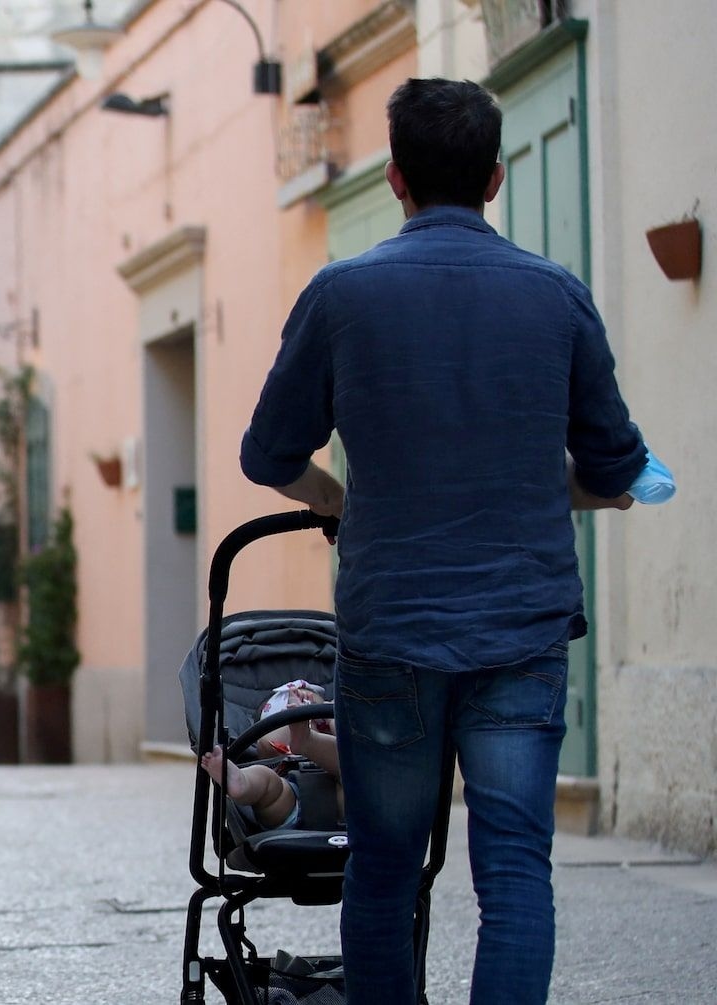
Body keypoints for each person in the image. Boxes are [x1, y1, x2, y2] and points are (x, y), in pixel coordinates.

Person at [240, 78, 648, 1005]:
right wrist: (571, 494)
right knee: (514, 868)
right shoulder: (559, 297)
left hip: (392, 629)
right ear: (497, 178)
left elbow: (269, 454)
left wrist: (340, 501)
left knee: (382, 864)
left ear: (394, 179)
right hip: (522, 626)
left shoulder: (340, 294)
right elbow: (615, 467)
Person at [199, 685, 341, 830]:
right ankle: (241, 782)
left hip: (346, 795)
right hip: (289, 795)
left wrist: (332, 719)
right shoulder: (269, 745)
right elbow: (266, 744)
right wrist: (296, 720)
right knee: (264, 776)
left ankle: (307, 739)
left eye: (316, 722)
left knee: (349, 760)